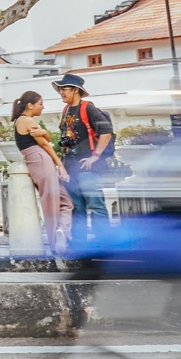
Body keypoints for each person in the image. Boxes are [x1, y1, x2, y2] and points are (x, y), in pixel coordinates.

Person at [54, 73, 116, 242]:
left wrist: (95, 156)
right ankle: (79, 243)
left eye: (64, 89)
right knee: (76, 207)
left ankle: (104, 242)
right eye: (60, 89)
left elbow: (106, 131)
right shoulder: (66, 110)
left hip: (88, 168)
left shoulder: (88, 107)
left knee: (95, 205)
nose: (61, 92)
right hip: (71, 167)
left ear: (75, 90)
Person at [14, 90, 72, 254]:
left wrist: (45, 133)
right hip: (40, 160)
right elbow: (46, 144)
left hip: (40, 160)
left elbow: (46, 139)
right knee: (51, 204)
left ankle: (62, 232)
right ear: (30, 105)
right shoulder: (26, 120)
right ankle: (56, 245)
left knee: (66, 202)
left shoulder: (25, 121)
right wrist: (60, 165)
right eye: (40, 104)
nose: (43, 107)